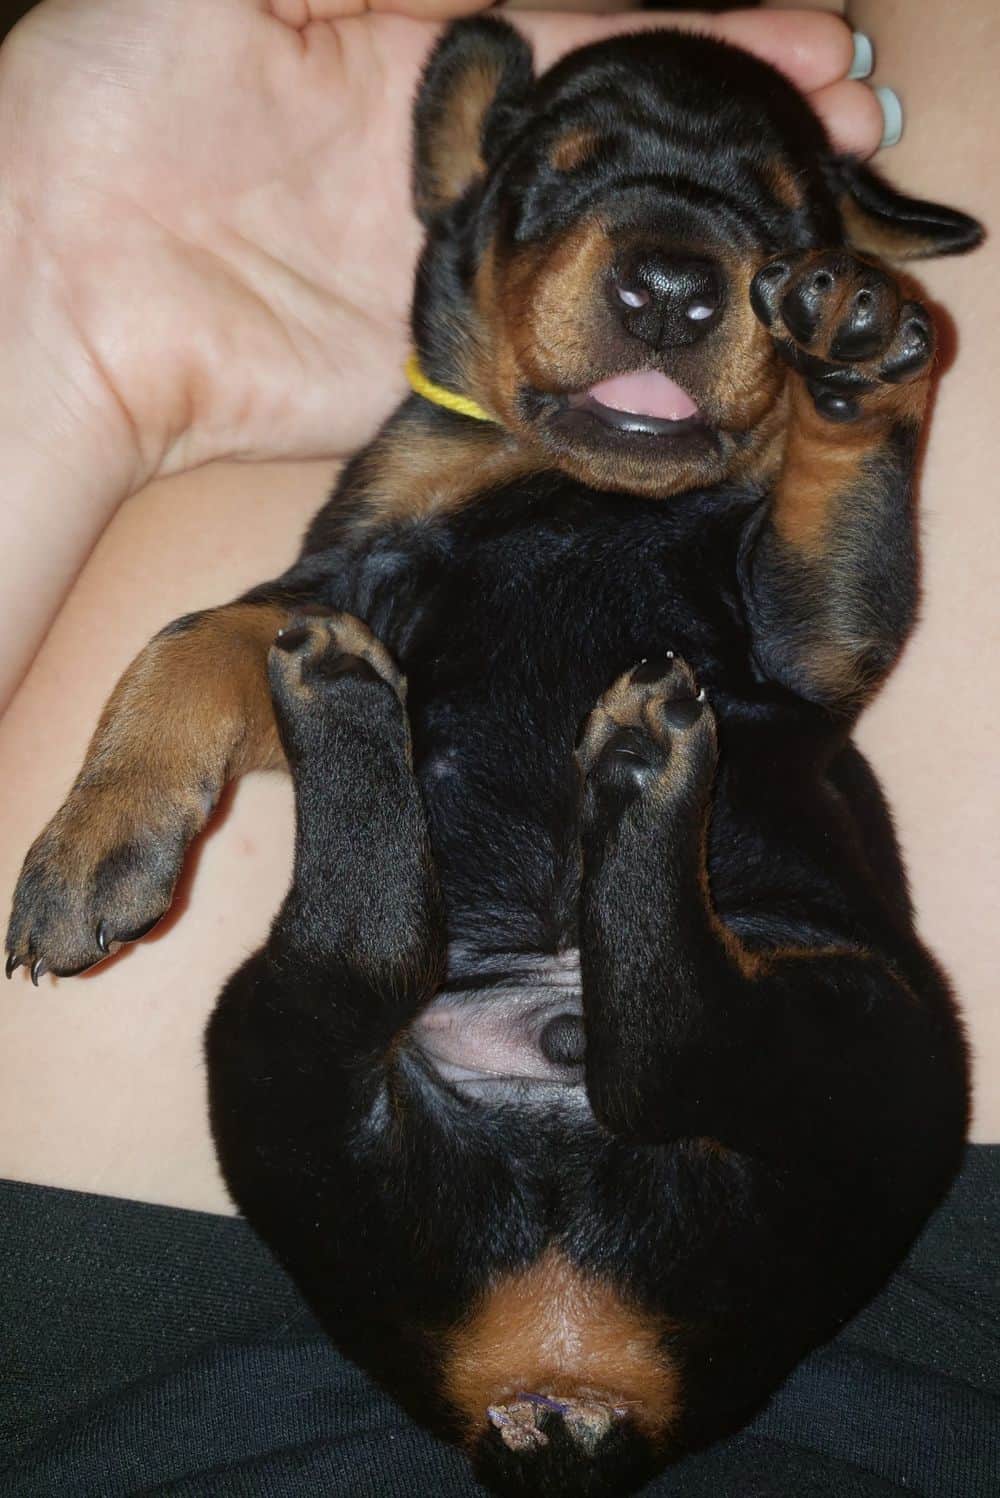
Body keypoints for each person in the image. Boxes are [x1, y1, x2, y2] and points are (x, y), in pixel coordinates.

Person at [0, 2, 995, 1493]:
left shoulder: (737, 479)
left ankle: (374, 896)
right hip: (794, 1190)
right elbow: (290, 638)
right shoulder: (432, 455)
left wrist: (843, 433)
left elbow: (823, 648)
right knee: (883, 1061)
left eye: (760, 241)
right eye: (586, 188)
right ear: (466, 191)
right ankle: (665, 981)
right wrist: (160, 738)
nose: (669, 274)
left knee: (284, 1034)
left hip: (371, 1215)